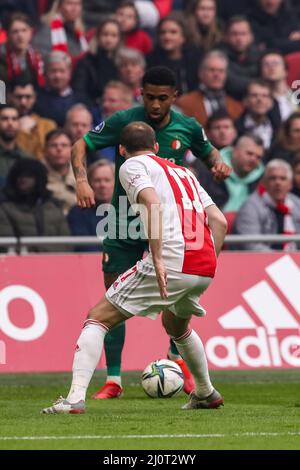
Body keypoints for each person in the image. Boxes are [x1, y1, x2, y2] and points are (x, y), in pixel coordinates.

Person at [42, 121, 224, 414]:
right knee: (176, 325)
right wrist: (209, 264)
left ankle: (74, 399)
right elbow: (220, 221)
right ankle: (205, 393)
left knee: (97, 318)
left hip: (172, 259)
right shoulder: (183, 173)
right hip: (202, 263)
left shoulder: (130, 165)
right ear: (156, 147)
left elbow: (150, 203)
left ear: (121, 149)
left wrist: (159, 259)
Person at [71, 66, 229, 399]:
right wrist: (82, 180)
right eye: (149, 97)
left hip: (167, 230)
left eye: (162, 98)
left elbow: (207, 154)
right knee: (122, 296)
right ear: (140, 94)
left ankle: (174, 365)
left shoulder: (187, 128)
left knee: (105, 313)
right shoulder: (124, 122)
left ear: (174, 97)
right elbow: (80, 146)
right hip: (130, 225)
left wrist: (218, 162)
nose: (155, 104)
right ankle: (116, 379)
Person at [0, 158, 70, 252]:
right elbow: (7, 245)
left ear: (39, 178)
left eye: (28, 175)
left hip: (55, 263)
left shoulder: (54, 207)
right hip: (19, 264)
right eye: (18, 175)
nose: (22, 179)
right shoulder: (5, 208)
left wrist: (40, 252)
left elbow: (67, 244)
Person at [233, 159, 300, 251]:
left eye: (283, 178)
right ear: (264, 182)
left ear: (290, 184)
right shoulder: (250, 207)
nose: (278, 183)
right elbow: (251, 245)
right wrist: (283, 259)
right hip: (260, 262)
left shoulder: (296, 204)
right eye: (273, 178)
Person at [176, 50, 243, 128]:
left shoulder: (237, 107)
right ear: (201, 73)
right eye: (212, 70)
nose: (216, 75)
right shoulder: (184, 104)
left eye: (221, 71)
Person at [146, 13, 203, 95]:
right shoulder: (150, 62)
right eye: (162, 32)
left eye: (173, 32)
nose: (167, 37)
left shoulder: (196, 60)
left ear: (183, 37)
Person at [68, 159, 115, 251]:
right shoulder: (78, 212)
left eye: (107, 180)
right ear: (89, 184)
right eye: (97, 180)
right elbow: (83, 245)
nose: (102, 185)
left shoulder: (128, 210)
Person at [72, 18, 121, 104]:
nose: (109, 40)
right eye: (105, 34)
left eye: (114, 35)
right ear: (98, 37)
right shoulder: (86, 62)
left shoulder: (121, 63)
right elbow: (79, 92)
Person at [34, 50, 87, 127]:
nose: (58, 76)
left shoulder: (81, 100)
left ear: (69, 73)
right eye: (53, 71)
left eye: (62, 71)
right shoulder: (35, 99)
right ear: (44, 73)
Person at [9, 77, 57, 161]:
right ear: (10, 97)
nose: (23, 102)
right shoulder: (4, 123)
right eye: (19, 97)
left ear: (34, 98)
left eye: (28, 97)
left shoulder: (48, 125)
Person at [33, 0, 89, 65]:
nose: (74, 8)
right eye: (69, 3)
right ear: (59, 6)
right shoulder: (47, 30)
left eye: (78, 4)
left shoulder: (79, 33)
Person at [0, 13, 45, 88]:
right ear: (8, 34)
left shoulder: (39, 56)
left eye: (24, 30)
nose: (20, 35)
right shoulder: (1, 59)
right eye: (15, 31)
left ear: (31, 32)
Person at [221, 16, 260, 100]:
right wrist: (258, 83)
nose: (239, 39)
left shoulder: (260, 56)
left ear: (251, 37)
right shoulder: (218, 57)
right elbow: (230, 82)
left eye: (243, 34)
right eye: (234, 34)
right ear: (226, 37)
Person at [235, 79, 278, 150]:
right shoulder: (235, 129)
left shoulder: (279, 130)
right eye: (254, 95)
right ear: (245, 101)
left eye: (264, 96)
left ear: (271, 102)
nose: (260, 100)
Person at [44, 128, 76, 214]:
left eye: (64, 145)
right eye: (54, 145)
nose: (59, 149)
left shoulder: (82, 176)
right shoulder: (37, 176)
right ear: (45, 150)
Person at [260, 50, 298, 123]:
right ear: (261, 72)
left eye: (275, 63)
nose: (271, 68)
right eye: (266, 64)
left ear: (285, 71)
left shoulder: (297, 97)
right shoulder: (260, 101)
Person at [0, 104, 32, 188]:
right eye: (4, 119)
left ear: (19, 124)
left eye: (14, 119)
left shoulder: (27, 158)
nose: (10, 123)